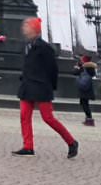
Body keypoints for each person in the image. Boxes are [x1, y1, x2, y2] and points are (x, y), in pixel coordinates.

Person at [13, 17, 77, 158]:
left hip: (41, 87)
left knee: (48, 118)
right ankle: (28, 146)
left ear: (34, 29)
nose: (24, 29)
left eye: (27, 26)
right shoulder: (26, 46)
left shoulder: (45, 48)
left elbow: (52, 69)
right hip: (27, 86)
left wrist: (51, 87)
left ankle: (71, 142)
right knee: (24, 116)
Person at [74, 55, 98, 126]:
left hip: (85, 89)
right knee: (85, 104)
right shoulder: (89, 68)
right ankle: (88, 118)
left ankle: (89, 119)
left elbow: (75, 73)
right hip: (87, 89)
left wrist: (78, 68)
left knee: (85, 105)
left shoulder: (85, 68)